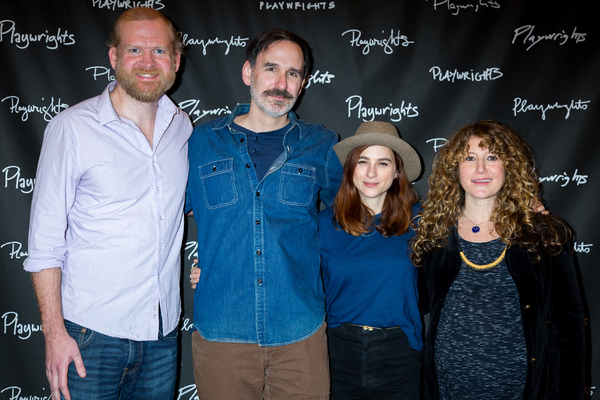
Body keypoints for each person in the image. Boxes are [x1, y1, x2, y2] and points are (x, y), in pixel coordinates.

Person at [24, 8, 191, 400]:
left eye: (160, 52)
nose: (148, 63)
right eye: (135, 49)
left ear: (177, 60)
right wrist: (55, 335)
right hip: (88, 338)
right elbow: (45, 243)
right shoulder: (72, 129)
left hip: (161, 337)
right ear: (114, 57)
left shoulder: (182, 127)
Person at [184, 29, 342, 399]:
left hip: (299, 332)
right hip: (222, 331)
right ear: (248, 72)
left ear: (303, 84)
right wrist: (211, 261)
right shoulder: (200, 142)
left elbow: (351, 216)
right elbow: (161, 212)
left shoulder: (322, 144)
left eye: (293, 73)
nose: (281, 84)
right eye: (271, 69)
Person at [411, 121, 585, 400]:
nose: (481, 169)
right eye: (470, 158)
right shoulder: (435, 234)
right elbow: (417, 300)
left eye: (492, 157)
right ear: (455, 168)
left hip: (524, 389)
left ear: (509, 167)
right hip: (447, 389)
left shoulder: (543, 233)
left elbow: (570, 326)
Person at [319, 121, 423, 399]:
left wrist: (527, 212)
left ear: (397, 172)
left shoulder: (422, 220)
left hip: (401, 353)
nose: (372, 173)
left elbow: (476, 224)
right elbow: (277, 258)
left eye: (383, 163)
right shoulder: (320, 225)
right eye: (363, 161)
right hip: (336, 352)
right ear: (350, 168)